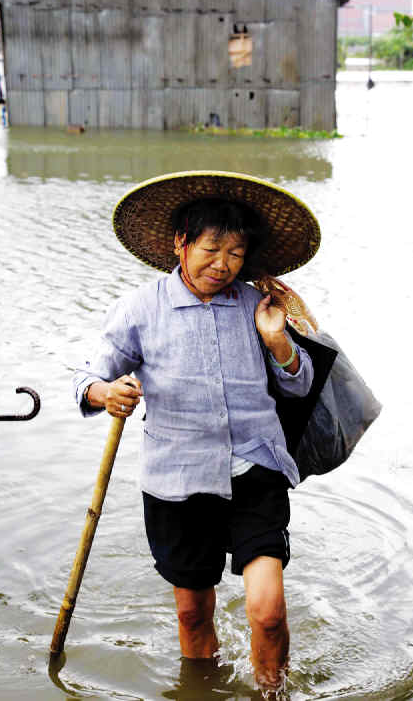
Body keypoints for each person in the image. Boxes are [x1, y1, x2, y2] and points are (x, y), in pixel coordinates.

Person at [73, 171, 321, 691]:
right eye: (211, 249)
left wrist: (278, 341)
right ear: (180, 243)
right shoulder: (141, 309)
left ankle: (272, 692)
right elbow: (88, 376)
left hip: (255, 467)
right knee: (192, 615)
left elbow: (299, 388)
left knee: (269, 611)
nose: (223, 264)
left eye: (235, 253)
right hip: (177, 481)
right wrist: (106, 393)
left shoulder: (256, 304)